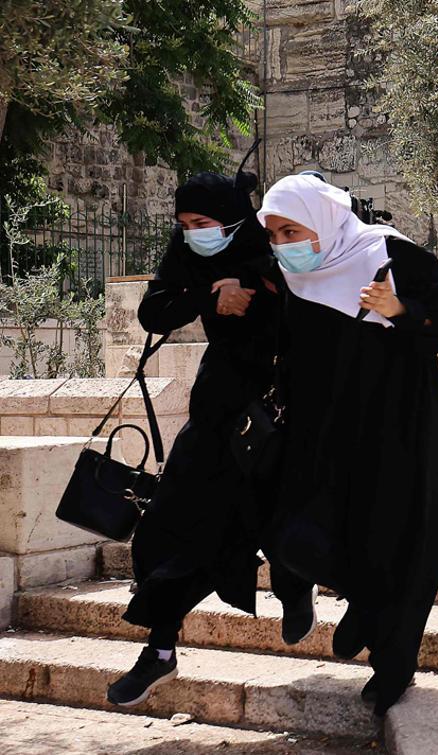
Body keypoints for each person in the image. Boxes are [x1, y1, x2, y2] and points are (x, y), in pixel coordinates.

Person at [256, 174, 438, 717]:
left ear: (322, 220)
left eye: (290, 229)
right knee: (295, 526)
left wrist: (402, 312)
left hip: (394, 426)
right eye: (274, 234)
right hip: (321, 426)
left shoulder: (389, 254)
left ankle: (391, 666)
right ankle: (349, 596)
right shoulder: (287, 274)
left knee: (391, 537)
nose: (283, 244)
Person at [107, 171, 316, 707]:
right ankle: (159, 650)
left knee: (276, 515)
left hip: (279, 404)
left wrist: (264, 289)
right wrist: (209, 295)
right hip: (218, 402)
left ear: (233, 218)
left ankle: (295, 588)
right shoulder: (187, 250)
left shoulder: (274, 240)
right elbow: (154, 311)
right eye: (184, 224)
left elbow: (314, 307)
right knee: (170, 525)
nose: (192, 233)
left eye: (202, 224)